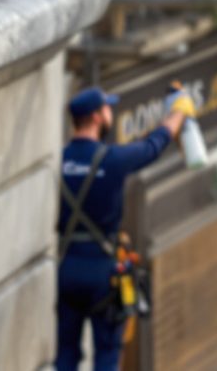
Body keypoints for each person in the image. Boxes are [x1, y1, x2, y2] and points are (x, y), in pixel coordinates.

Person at [54, 88, 189, 371]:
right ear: (96, 116)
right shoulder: (112, 159)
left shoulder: (58, 162)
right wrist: (179, 112)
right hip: (103, 270)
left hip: (67, 268)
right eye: (107, 109)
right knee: (107, 353)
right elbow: (154, 145)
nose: (110, 114)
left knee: (66, 353)